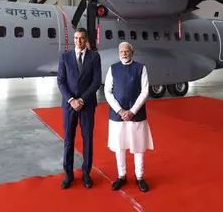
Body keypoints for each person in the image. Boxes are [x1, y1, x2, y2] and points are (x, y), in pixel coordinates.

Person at [104, 41, 154, 192]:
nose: (124, 53)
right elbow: (107, 91)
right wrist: (120, 110)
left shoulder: (141, 68)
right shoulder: (112, 69)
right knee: (119, 147)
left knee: (138, 147)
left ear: (132, 53)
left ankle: (140, 177)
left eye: (127, 51)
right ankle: (121, 176)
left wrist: (132, 111)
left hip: (136, 115)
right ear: (119, 53)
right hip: (117, 115)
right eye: (121, 51)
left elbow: (145, 91)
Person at [57, 27, 102, 189]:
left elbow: (96, 81)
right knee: (69, 140)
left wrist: (82, 99)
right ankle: (68, 174)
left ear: (86, 40)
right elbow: (61, 81)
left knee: (87, 139)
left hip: (87, 104)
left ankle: (86, 173)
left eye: (81, 38)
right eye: (76, 38)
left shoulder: (94, 57)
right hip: (69, 105)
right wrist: (71, 100)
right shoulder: (65, 57)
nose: (78, 41)